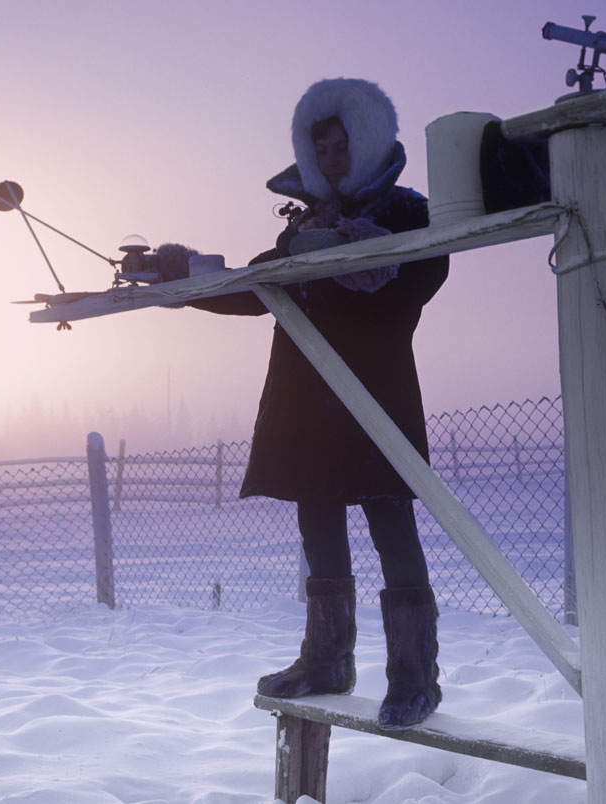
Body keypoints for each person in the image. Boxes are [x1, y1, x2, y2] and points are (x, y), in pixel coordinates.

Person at [181, 77, 450, 730]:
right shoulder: (304, 228)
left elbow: (426, 274)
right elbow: (258, 288)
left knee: (392, 529)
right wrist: (184, 277)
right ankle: (326, 661)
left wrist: (365, 255)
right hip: (307, 402)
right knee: (319, 529)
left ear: (368, 143)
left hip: (373, 393)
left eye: (342, 144)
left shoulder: (407, 214)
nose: (332, 158)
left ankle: (416, 681)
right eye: (321, 147)